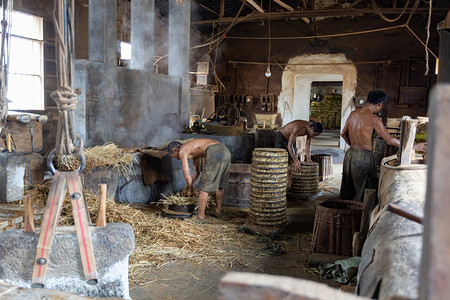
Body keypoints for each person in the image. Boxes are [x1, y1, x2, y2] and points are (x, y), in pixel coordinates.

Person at [340, 89, 427, 203]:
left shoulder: (353, 114)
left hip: (349, 154)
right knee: (363, 192)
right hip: (363, 157)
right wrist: (414, 147)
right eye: (381, 106)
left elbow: (343, 134)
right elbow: (389, 140)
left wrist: (353, 146)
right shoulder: (374, 119)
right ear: (380, 104)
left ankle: (344, 215)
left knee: (349, 189)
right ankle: (358, 218)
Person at [167, 138, 231, 223]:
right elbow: (196, 172)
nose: (176, 158)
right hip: (225, 151)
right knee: (220, 185)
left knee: (203, 188)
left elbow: (187, 176)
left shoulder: (183, 150)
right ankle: (217, 211)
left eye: (174, 156)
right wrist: (187, 187)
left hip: (214, 152)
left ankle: (200, 217)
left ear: (174, 150)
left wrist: (192, 190)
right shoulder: (193, 149)